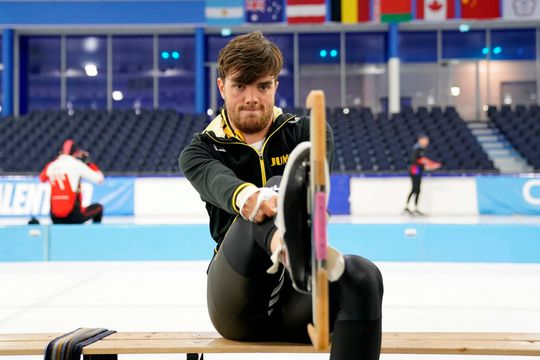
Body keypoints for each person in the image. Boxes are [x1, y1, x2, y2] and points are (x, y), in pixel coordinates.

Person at [179, 31, 383, 360]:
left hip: (296, 298)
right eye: (239, 86)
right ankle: (286, 250)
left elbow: (316, 200)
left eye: (262, 86)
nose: (251, 97)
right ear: (222, 87)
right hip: (237, 301)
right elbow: (221, 184)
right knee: (268, 194)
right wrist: (254, 198)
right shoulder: (200, 150)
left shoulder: (307, 133)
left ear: (275, 86)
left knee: (363, 275)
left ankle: (297, 259)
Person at [40, 139, 105, 224]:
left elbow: (42, 178)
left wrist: (55, 161)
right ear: (75, 152)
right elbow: (100, 179)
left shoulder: (52, 165)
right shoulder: (76, 164)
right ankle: (95, 235)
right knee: (99, 208)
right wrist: (89, 163)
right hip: (73, 215)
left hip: (55, 217)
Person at [403, 134, 441, 216]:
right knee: (415, 188)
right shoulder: (418, 149)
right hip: (415, 170)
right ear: (421, 140)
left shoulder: (420, 149)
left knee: (417, 189)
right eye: (425, 140)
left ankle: (415, 207)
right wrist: (431, 164)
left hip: (418, 170)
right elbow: (419, 160)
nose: (427, 142)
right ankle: (407, 207)